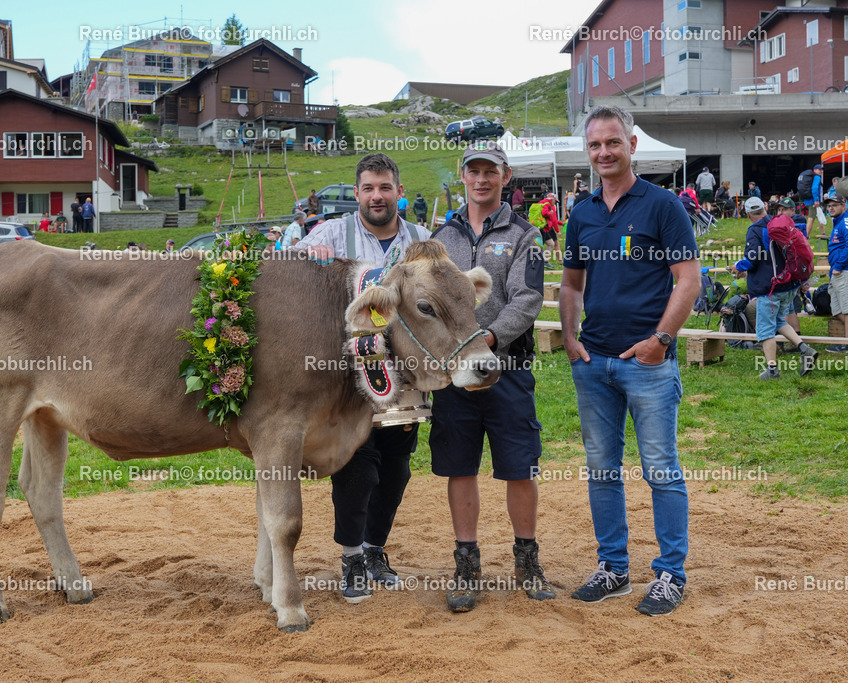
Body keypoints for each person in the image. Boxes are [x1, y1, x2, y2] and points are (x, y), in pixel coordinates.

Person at [561, 105, 700, 617]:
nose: (603, 152)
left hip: (648, 364)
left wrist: (661, 339)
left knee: (660, 468)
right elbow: (572, 283)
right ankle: (614, 568)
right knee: (602, 470)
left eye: (612, 143)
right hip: (593, 362)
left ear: (632, 144)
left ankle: (670, 575)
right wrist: (571, 337)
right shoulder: (583, 212)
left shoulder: (664, 206)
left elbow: (689, 280)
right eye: (595, 145)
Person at [294, 153, 430, 603]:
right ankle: (351, 556)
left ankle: (375, 550)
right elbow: (285, 273)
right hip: (349, 378)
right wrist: (307, 256)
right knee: (356, 468)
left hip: (406, 378)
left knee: (396, 469)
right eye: (369, 188)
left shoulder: (422, 241)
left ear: (399, 191)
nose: (377, 196)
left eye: (385, 187)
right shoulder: (330, 232)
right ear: (357, 193)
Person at [430, 141, 554, 612]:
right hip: (454, 375)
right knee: (459, 466)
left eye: (490, 171)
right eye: (473, 171)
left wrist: (489, 340)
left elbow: (527, 299)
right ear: (463, 176)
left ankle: (527, 560)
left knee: (518, 467)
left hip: (507, 369)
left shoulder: (525, 233)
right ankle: (467, 564)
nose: (481, 179)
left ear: (506, 176)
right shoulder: (441, 236)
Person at [730, 196, 818, 379]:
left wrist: (738, 266)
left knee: (765, 330)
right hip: (789, 285)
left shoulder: (755, 230)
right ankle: (805, 349)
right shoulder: (779, 222)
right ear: (765, 207)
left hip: (770, 288)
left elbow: (752, 259)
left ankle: (772, 370)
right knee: (778, 321)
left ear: (747, 214)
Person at [825, 193, 848, 353]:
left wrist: (838, 266)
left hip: (844, 271)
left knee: (846, 311)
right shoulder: (837, 221)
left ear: (843, 206)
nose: (831, 208)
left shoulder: (845, 221)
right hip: (836, 272)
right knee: (837, 310)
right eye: (829, 205)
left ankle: (846, 345)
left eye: (835, 205)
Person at [539, 193, 562, 266]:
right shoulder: (548, 205)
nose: (555, 203)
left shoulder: (541, 203)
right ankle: (542, 262)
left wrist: (561, 223)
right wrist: (558, 231)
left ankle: (544, 261)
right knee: (541, 246)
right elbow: (552, 219)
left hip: (542, 227)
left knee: (551, 243)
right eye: (555, 201)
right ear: (552, 199)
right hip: (544, 228)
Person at [805, 164, 824, 238]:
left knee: (819, 216)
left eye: (822, 170)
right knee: (811, 218)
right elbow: (814, 188)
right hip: (813, 201)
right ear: (815, 170)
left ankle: (823, 233)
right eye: (819, 170)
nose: (821, 171)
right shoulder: (817, 177)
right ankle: (806, 235)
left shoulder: (813, 177)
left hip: (809, 200)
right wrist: (816, 200)